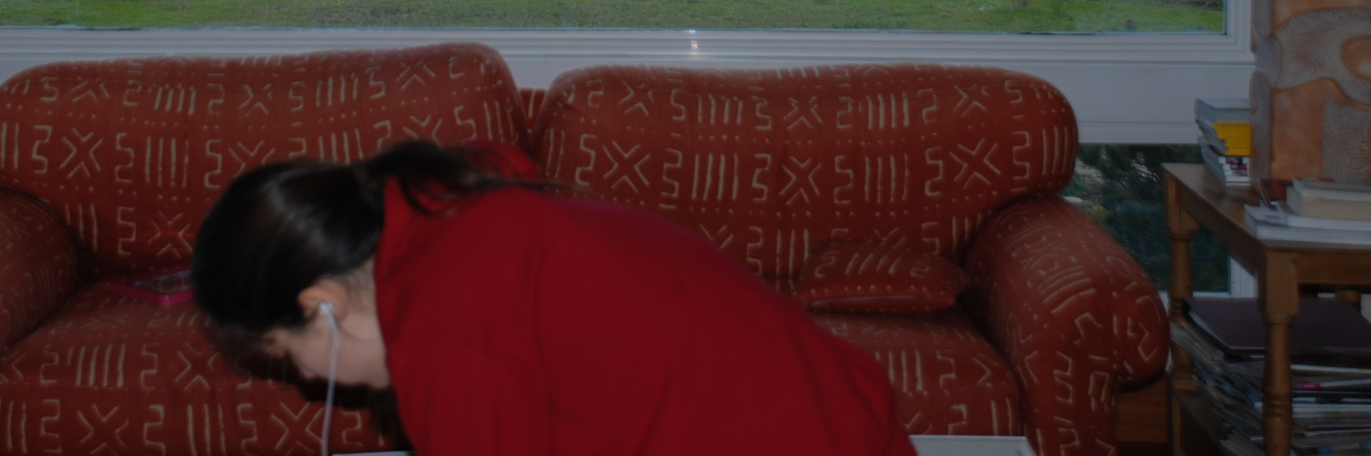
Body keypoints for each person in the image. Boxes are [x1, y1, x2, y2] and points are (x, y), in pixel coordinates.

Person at [193, 141, 916, 456]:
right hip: (843, 423)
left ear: (323, 304)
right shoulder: (445, 209)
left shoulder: (446, 324)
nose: (309, 379)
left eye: (291, 355)